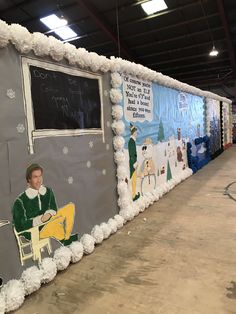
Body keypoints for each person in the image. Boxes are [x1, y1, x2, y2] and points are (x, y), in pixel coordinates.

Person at [12, 163, 77, 246]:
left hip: (50, 222)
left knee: (70, 207)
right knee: (53, 225)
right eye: (35, 177)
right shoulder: (20, 201)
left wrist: (49, 213)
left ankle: (66, 238)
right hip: (35, 231)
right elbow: (20, 226)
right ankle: (64, 240)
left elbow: (54, 209)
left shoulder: (48, 191)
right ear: (29, 179)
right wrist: (41, 219)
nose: (39, 180)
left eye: (40, 176)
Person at [128, 124, 140, 201]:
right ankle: (133, 195)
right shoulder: (131, 142)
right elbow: (132, 154)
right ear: (133, 133)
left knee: (134, 179)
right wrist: (134, 163)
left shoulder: (132, 141)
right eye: (136, 133)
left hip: (134, 163)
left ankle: (134, 194)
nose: (137, 134)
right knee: (133, 179)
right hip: (133, 163)